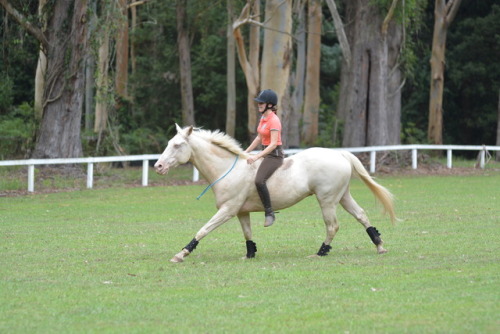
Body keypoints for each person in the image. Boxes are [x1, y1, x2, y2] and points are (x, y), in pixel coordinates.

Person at [244, 89, 284, 227]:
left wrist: (255, 157)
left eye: (261, 103)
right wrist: (245, 152)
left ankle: (269, 212)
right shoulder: (263, 118)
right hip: (265, 153)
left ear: (270, 105)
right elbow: (259, 137)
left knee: (259, 180)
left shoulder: (274, 120)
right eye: (258, 102)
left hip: (274, 155)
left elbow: (273, 144)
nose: (259, 104)